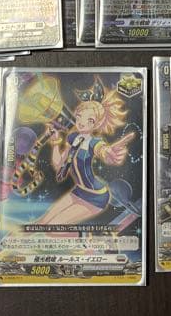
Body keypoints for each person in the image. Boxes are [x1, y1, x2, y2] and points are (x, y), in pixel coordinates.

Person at [33, 79, 136, 227]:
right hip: (79, 191)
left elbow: (102, 150)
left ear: (97, 124)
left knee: (53, 225)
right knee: (42, 222)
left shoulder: (94, 142)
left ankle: (84, 238)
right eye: (80, 116)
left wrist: (109, 152)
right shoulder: (73, 137)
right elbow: (59, 164)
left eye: (90, 120)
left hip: (96, 197)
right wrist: (55, 142)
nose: (82, 122)